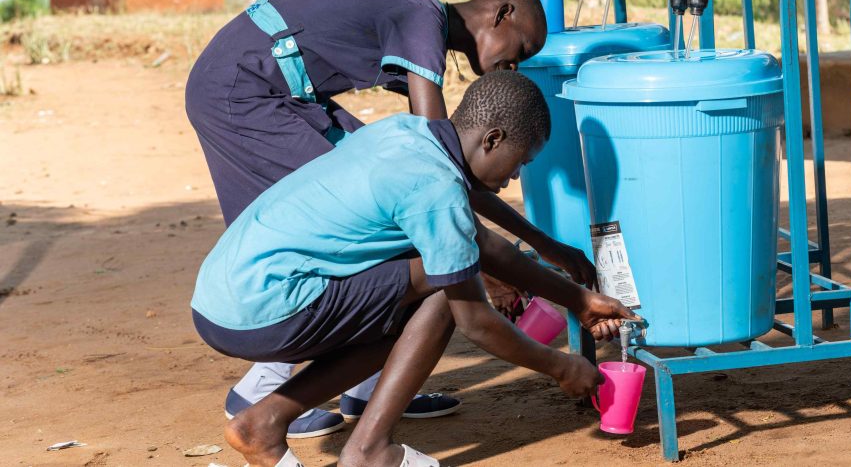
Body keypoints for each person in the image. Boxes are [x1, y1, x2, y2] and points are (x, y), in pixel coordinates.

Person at [185, 0, 597, 437]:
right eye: (521, 48)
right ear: (502, 14)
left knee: (384, 219)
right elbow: (440, 170)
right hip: (243, 89)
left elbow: (449, 165)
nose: (515, 65)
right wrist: (495, 259)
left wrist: (533, 248)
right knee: (373, 228)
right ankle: (263, 390)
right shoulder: (420, 17)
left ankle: (367, 387)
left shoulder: (422, 22)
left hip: (290, 96)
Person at [191, 71, 635, 467]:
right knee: (446, 290)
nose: (516, 176)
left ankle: (264, 423)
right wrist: (561, 366)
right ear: (493, 139)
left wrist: (578, 299)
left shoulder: (408, 134)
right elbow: (476, 323)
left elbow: (480, 242)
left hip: (220, 295)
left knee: (437, 272)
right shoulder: (436, 189)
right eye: (521, 162)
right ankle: (369, 451)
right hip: (263, 310)